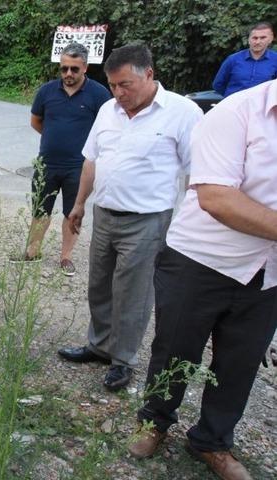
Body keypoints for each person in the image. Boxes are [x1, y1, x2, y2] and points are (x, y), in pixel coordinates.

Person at [125, 80, 277, 480]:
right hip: (201, 260)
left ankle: (211, 441)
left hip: (268, 270)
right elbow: (216, 197)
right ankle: (154, 421)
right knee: (176, 348)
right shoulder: (238, 112)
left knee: (240, 362)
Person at [59, 44, 203, 392]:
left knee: (132, 294)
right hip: (105, 213)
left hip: (148, 220)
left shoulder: (183, 113)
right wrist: (79, 204)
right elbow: (92, 159)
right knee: (99, 285)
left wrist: (187, 226)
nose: (119, 93)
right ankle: (99, 345)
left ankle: (123, 360)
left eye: (126, 85)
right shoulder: (108, 110)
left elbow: (196, 172)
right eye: (112, 86)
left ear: (149, 74)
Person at [14, 42, 111, 276]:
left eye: (74, 69)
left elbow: (106, 128)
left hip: (78, 167)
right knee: (40, 209)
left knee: (72, 213)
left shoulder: (99, 94)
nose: (68, 74)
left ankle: (66, 257)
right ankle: (32, 251)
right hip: (46, 163)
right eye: (64, 68)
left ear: (85, 68)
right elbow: (36, 121)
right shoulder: (47, 91)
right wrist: (53, 137)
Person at [213, 22, 277, 98]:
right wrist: (231, 98)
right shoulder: (233, 59)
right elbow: (218, 85)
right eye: (254, 38)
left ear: (270, 39)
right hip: (234, 106)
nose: (257, 42)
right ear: (248, 39)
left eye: (263, 38)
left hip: (261, 108)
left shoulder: (275, 60)